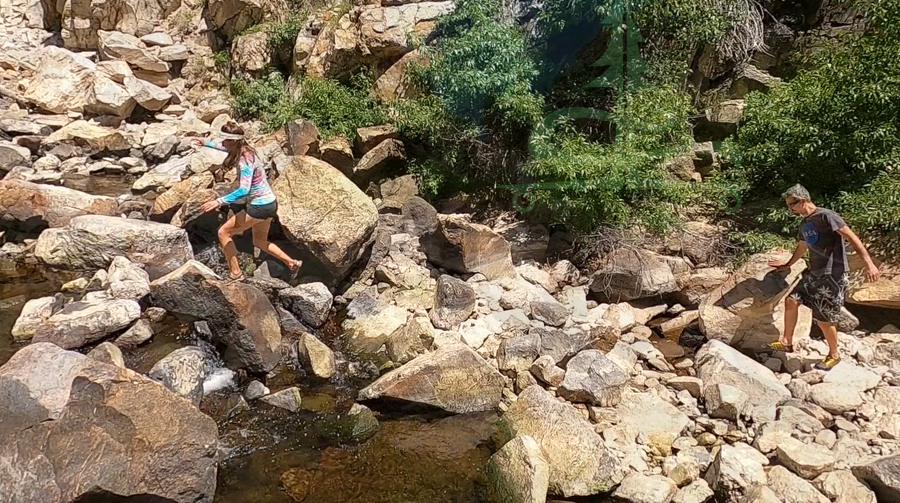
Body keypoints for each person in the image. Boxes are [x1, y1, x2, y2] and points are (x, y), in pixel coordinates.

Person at [766, 184, 880, 370]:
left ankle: (834, 355)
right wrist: (787, 265)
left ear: (802, 201)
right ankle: (787, 342)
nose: (790, 209)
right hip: (815, 273)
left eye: (791, 205)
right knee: (791, 301)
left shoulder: (827, 216)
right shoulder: (804, 223)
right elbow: (802, 247)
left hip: (833, 274)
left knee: (824, 318)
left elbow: (851, 237)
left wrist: (869, 263)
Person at [191, 122, 302, 280]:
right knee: (259, 241)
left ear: (234, 142)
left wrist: (219, 201)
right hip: (270, 203)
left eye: (225, 140)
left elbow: (244, 190)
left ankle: (235, 273)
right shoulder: (247, 150)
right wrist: (206, 143)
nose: (223, 143)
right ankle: (292, 262)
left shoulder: (245, 162)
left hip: (259, 207)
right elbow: (225, 148)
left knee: (223, 233)